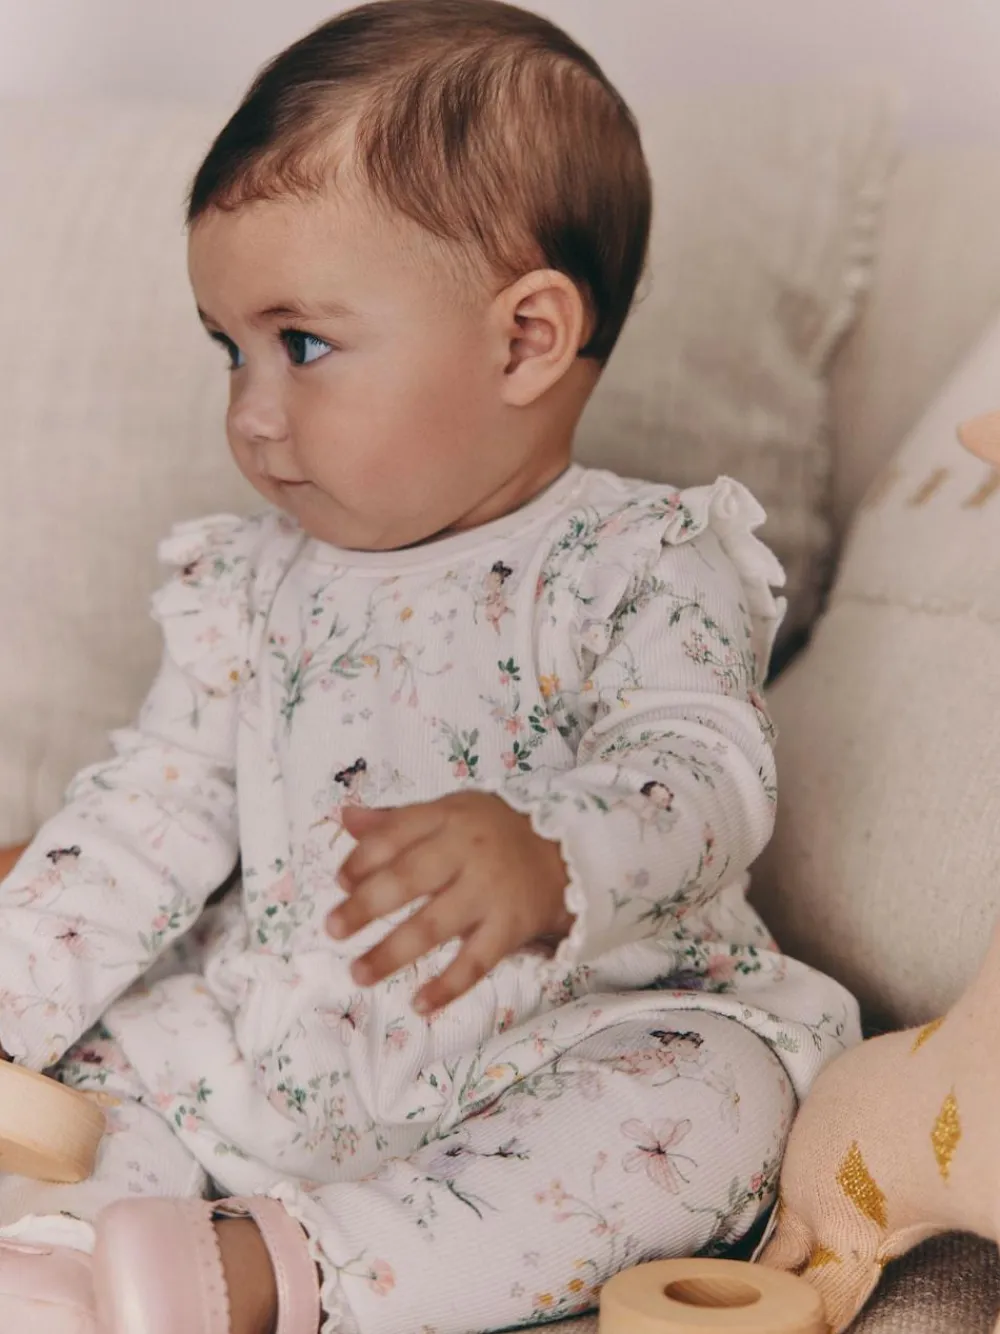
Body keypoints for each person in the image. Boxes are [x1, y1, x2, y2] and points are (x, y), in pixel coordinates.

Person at [0, 3, 859, 1331]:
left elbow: (705, 774)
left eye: (301, 344)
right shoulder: (247, 587)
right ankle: (67, 1257)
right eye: (229, 349)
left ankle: (291, 1271)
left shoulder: (639, 560)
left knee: (713, 1103)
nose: (251, 413)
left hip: (554, 1039)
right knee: (117, 1051)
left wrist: (550, 848)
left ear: (525, 339)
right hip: (275, 1050)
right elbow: (143, 812)